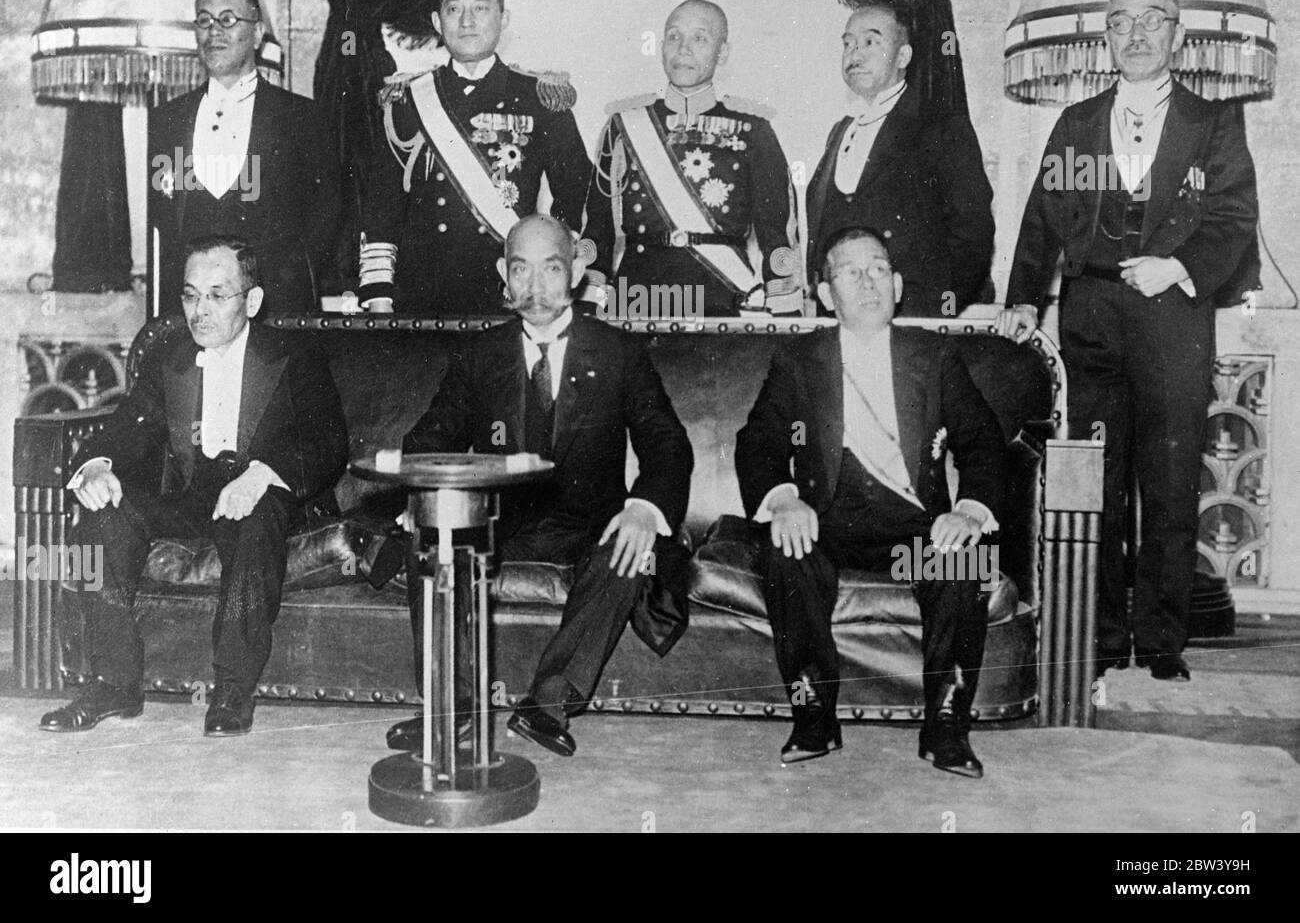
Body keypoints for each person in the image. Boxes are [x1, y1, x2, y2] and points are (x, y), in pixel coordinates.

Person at [996, 0, 1259, 683]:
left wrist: (1175, 267)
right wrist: (1024, 296)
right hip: (1091, 317)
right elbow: (1042, 216)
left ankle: (1163, 639)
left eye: (1152, 21)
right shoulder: (1077, 123)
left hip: (1174, 316)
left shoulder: (1213, 122)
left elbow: (1235, 220)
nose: (1136, 36)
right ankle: (1105, 636)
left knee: (1170, 483)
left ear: (1178, 34)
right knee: (1097, 481)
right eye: (1120, 23)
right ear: (1105, 37)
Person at [386, 214, 693, 757]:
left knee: (633, 547)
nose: (535, 288)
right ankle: (451, 707)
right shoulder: (479, 354)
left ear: (575, 271)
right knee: (435, 540)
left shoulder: (618, 351)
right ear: (503, 274)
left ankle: (547, 705)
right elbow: (433, 434)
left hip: (590, 527)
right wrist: (421, 493)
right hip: (503, 523)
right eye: (520, 271)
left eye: (551, 269)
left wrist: (645, 507)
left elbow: (668, 446)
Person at [40, 236, 348, 736]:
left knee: (254, 519)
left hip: (260, 491)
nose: (200, 311)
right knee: (103, 518)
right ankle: (113, 685)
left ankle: (231, 691)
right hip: (190, 494)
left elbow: (328, 441)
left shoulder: (295, 356)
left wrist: (261, 475)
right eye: (190, 296)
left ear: (251, 301)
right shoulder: (170, 355)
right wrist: (97, 465)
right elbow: (128, 426)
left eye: (217, 295)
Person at [736, 226, 1004, 777]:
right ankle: (814, 715)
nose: (867, 283)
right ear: (826, 294)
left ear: (899, 285)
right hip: (825, 524)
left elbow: (983, 440)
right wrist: (784, 498)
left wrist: (970, 508)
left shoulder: (934, 356)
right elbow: (757, 442)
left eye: (879, 269)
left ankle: (947, 725)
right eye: (849, 272)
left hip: (915, 532)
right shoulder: (799, 359)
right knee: (788, 553)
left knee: (962, 558)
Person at [358, 0, 603, 314]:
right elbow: (382, 206)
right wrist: (378, 293)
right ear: (436, 21)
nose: (467, 21)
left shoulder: (539, 98)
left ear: (503, 19)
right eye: (454, 10)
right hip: (423, 297)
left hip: (509, 296)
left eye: (481, 9)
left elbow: (578, 194)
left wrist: (556, 270)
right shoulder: (408, 101)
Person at [586, 0, 801, 317]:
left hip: (721, 293)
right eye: (674, 37)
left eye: (699, 38)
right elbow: (598, 227)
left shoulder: (754, 129)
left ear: (723, 52)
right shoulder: (624, 126)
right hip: (638, 294)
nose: (683, 49)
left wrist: (784, 306)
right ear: (661, 48)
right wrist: (590, 306)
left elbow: (776, 230)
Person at [148, 0, 340, 315]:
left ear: (257, 33)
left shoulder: (303, 118)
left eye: (227, 20)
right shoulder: (167, 120)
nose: (214, 32)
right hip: (191, 314)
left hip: (277, 311)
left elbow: (326, 218)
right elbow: (164, 215)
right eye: (204, 20)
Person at [804, 0, 993, 316]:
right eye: (848, 44)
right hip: (839, 322)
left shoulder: (940, 126)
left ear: (903, 56)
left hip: (913, 321)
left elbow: (973, 234)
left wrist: (932, 311)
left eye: (869, 42)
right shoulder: (839, 131)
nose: (855, 54)